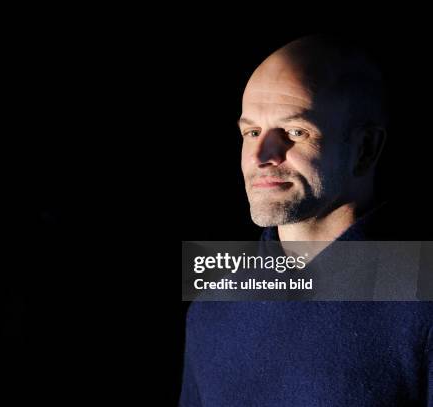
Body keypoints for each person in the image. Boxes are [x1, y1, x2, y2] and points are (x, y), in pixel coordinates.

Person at [180, 35, 433, 406]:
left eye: (296, 132)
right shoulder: (212, 307)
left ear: (364, 150)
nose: (262, 155)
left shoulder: (420, 300)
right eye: (251, 132)